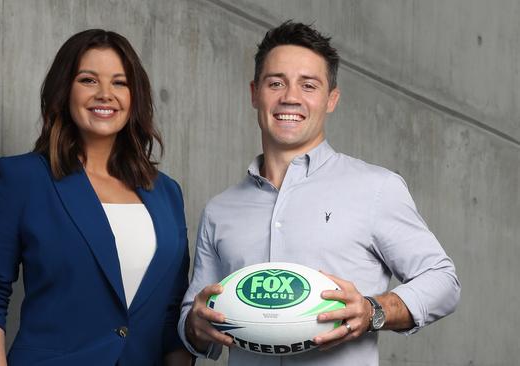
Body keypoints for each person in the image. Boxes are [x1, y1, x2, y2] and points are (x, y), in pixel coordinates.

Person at [179, 21, 461, 365]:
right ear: (255, 93)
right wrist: (193, 324)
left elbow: (443, 280)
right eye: (275, 83)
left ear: (331, 99)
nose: (290, 97)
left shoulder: (376, 188)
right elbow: (193, 316)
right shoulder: (220, 209)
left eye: (308, 85)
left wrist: (374, 310)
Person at [0, 29, 192, 366]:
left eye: (119, 83)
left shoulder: (167, 193)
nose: (105, 94)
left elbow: (172, 313)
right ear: (64, 89)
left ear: (134, 96)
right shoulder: (23, 180)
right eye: (88, 80)